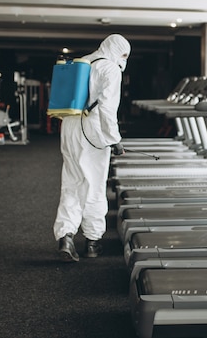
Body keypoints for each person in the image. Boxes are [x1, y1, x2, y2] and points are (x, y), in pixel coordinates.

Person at [53, 34, 130, 262]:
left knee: (71, 182)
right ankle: (92, 242)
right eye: (124, 54)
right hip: (93, 129)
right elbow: (107, 107)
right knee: (94, 186)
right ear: (118, 50)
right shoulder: (111, 69)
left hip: (69, 125)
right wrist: (114, 139)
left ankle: (65, 236)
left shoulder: (83, 62)